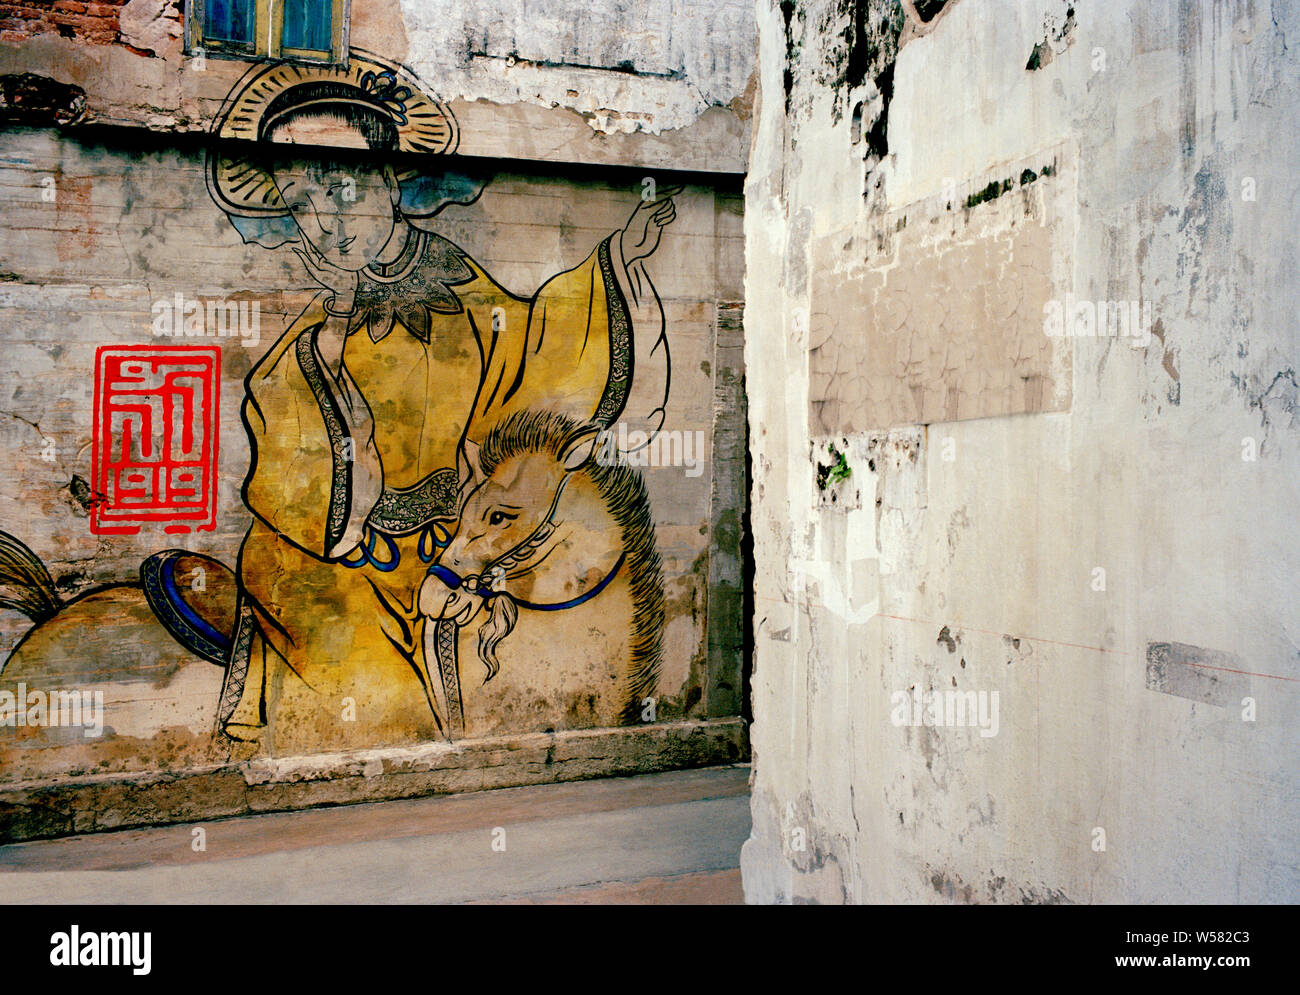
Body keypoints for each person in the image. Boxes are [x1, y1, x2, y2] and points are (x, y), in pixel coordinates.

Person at [206, 61, 677, 751]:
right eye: (301, 201)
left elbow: (539, 346)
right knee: (384, 713)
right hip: (335, 568)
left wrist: (612, 260)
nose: (326, 225)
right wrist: (331, 346)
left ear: (390, 175)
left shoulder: (466, 289)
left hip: (453, 550)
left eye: (341, 188)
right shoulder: (313, 340)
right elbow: (283, 444)